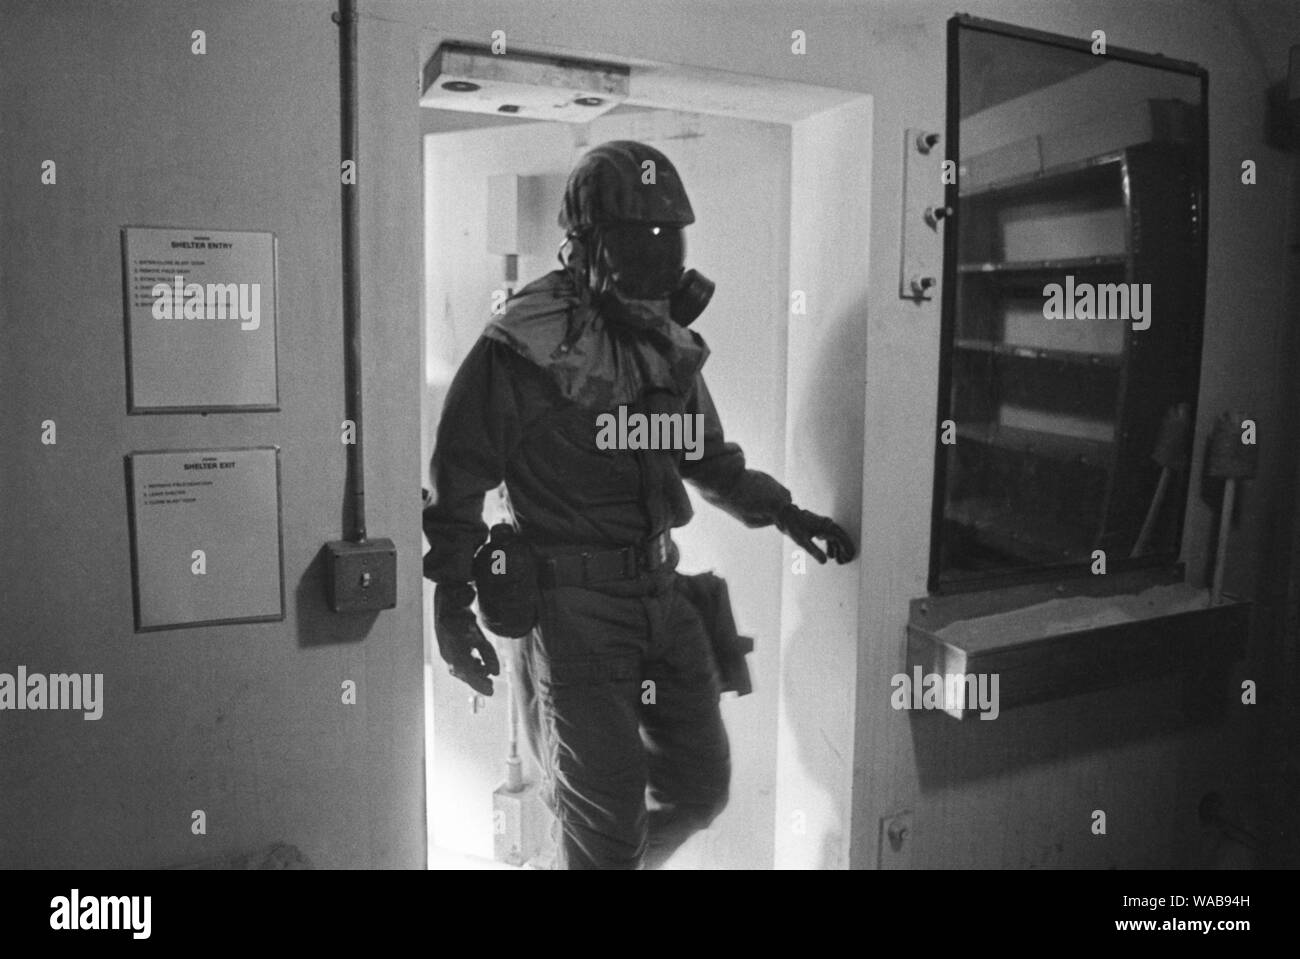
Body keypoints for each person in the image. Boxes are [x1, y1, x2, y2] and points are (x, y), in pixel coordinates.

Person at [422, 140, 855, 869]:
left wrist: (788, 513)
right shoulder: (522, 345)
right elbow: (457, 481)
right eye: (637, 240)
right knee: (605, 825)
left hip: (661, 589)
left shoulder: (663, 341)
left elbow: (709, 458)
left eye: (667, 239)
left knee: (702, 790)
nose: (657, 257)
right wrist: (450, 604)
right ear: (586, 244)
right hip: (575, 612)